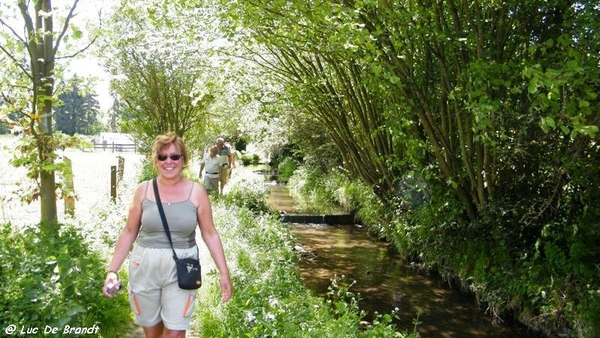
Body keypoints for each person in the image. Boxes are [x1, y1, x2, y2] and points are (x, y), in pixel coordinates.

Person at [103, 132, 232, 338]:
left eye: (174, 156)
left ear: (184, 160)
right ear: (156, 160)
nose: (168, 162)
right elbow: (129, 232)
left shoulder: (197, 192)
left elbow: (210, 234)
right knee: (153, 333)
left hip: (182, 266)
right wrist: (112, 271)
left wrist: (223, 273)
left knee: (174, 333)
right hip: (144, 265)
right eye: (162, 157)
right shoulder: (143, 191)